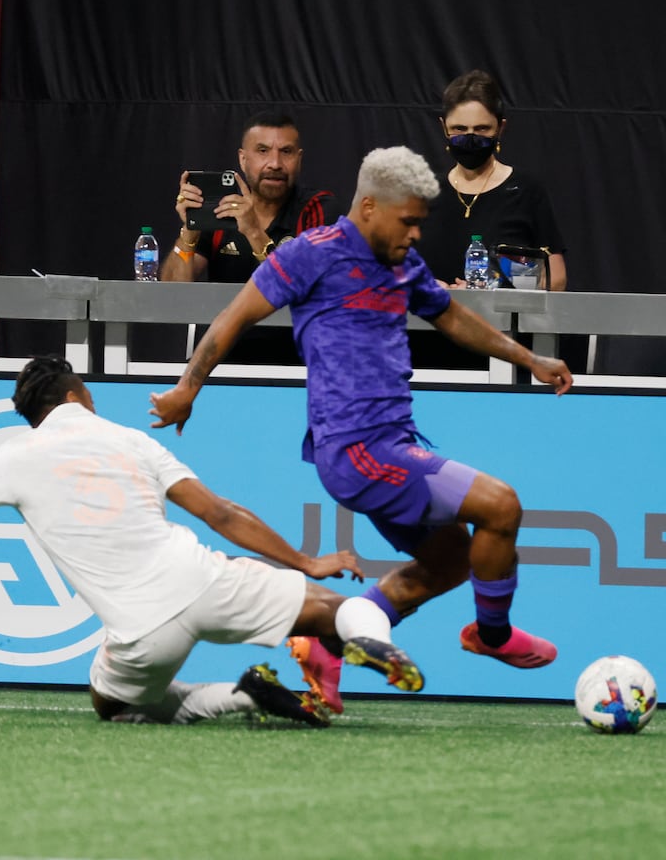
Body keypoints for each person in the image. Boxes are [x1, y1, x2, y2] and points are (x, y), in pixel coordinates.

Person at [149, 146, 573, 715]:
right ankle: (491, 635)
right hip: (356, 450)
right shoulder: (310, 255)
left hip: (393, 445)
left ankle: (326, 647)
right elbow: (234, 317)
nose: (418, 234)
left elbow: (451, 316)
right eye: (410, 221)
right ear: (369, 207)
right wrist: (187, 388)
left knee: (452, 561)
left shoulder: (402, 264)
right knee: (501, 505)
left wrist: (530, 358)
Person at [0, 354, 425, 726]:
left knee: (113, 703)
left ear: (34, 417)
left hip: (142, 633)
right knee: (338, 609)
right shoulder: (130, 440)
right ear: (79, 394)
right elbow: (222, 514)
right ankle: (371, 639)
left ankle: (243, 696)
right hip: (202, 577)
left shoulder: (15, 456)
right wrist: (307, 561)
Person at [420, 70, 567, 291]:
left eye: (482, 129)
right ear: (444, 128)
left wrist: (489, 291)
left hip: (500, 324)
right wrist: (426, 288)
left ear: (500, 128)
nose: (470, 137)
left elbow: (556, 281)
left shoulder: (525, 191)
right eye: (459, 129)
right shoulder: (425, 193)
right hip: (429, 323)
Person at [163, 110, 336, 284]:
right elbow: (171, 295)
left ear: (299, 159)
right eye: (263, 150)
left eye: (286, 151)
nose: (275, 164)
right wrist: (190, 229)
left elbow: (309, 290)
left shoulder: (317, 209)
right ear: (243, 159)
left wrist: (254, 232)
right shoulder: (222, 210)